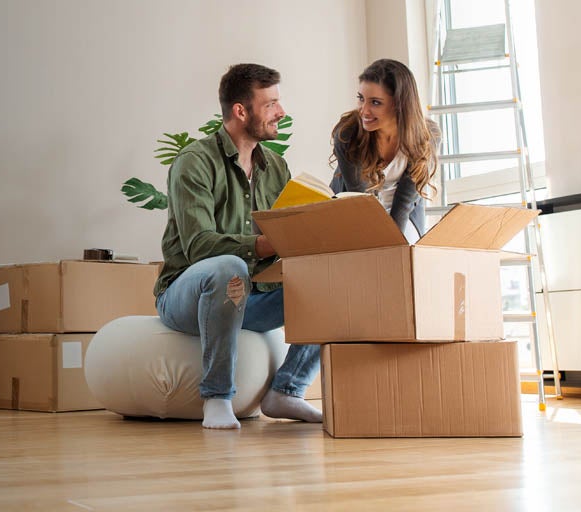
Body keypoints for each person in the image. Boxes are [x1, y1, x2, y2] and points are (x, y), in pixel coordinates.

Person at [154, 63, 323, 429]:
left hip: (255, 297)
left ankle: (287, 391)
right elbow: (199, 246)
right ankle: (216, 397)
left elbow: (285, 238)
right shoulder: (194, 164)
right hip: (187, 296)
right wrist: (263, 245)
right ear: (240, 111)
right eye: (271, 104)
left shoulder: (276, 168)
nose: (281, 112)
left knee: (334, 281)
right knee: (228, 267)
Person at [329, 58, 441, 241]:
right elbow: (360, 200)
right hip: (356, 209)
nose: (363, 111)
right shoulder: (348, 134)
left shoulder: (428, 136)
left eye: (375, 103)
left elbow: (405, 202)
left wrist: (392, 241)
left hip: (403, 214)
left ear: (399, 103)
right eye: (361, 99)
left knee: (404, 254)